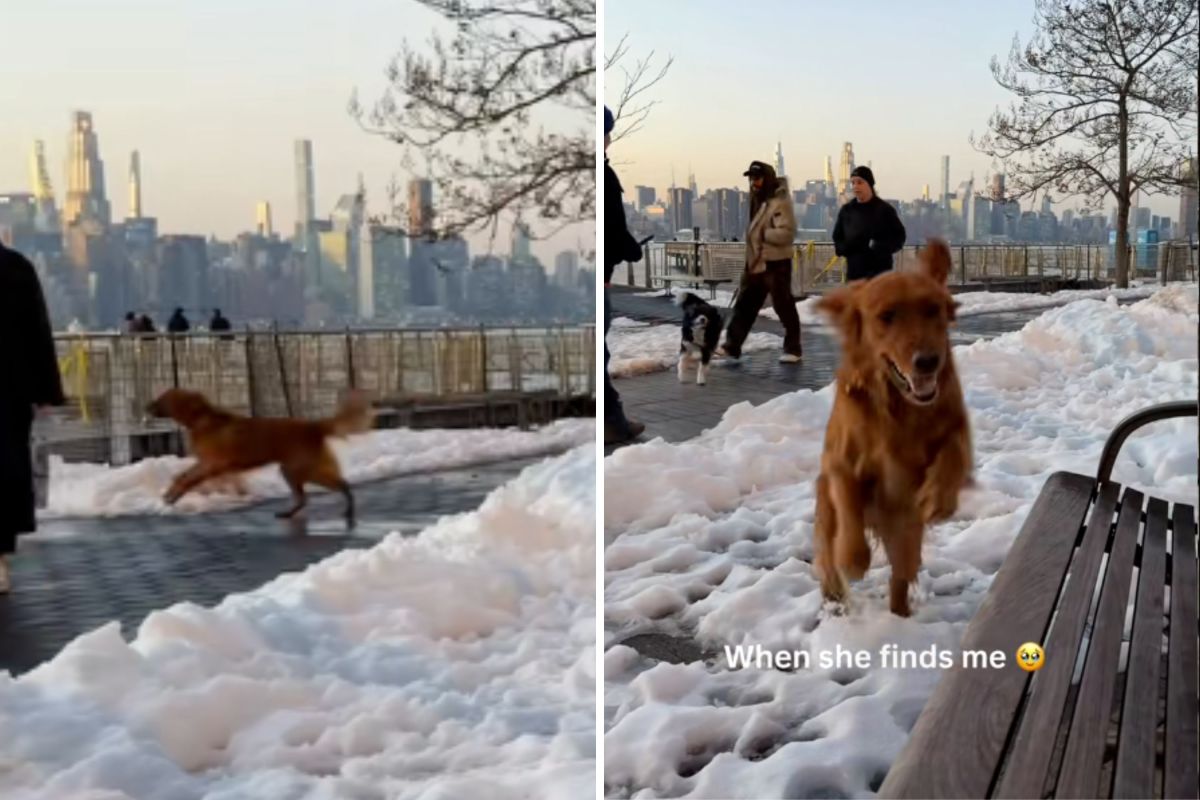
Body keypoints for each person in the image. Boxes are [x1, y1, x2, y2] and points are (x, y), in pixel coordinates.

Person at [0, 242, 65, 593]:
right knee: (6, 471)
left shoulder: (16, 266)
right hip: (9, 390)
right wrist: (45, 390)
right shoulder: (15, 266)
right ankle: (0, 560)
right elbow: (37, 330)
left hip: (9, 391)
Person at [719, 160, 802, 362]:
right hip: (756, 262)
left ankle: (793, 348)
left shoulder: (780, 201)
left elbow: (787, 233)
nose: (753, 183)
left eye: (757, 178)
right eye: (751, 178)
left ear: (767, 179)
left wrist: (763, 234)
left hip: (776, 263)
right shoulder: (757, 199)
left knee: (783, 305)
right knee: (745, 305)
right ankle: (732, 345)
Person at [603, 105, 646, 446]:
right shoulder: (602, 176)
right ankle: (612, 423)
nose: (609, 138)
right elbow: (612, 226)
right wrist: (629, 250)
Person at [832, 165, 906, 281]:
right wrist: (846, 248)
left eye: (860, 182)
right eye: (853, 183)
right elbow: (837, 237)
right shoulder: (847, 210)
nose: (856, 186)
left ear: (870, 184)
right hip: (854, 275)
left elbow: (899, 237)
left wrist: (880, 247)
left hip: (880, 277)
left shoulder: (884, 210)